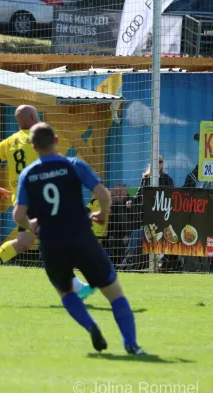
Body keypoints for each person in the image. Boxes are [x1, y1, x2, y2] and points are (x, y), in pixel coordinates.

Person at [13, 123, 144, 354]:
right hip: (82, 237)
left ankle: (91, 325)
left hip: (52, 243)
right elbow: (104, 195)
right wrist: (103, 215)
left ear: (34, 147)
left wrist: (30, 225)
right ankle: (131, 344)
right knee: (114, 293)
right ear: (56, 140)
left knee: (66, 292)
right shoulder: (73, 165)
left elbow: (19, 215)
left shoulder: (28, 174)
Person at [0, 105, 94, 298]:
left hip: (22, 199)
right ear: (32, 117)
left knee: (24, 242)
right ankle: (76, 287)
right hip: (38, 198)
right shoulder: (39, 138)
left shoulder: (10, 141)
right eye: (37, 116)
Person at [123, 155, 174, 268]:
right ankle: (151, 261)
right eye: (156, 162)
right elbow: (139, 194)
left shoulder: (167, 179)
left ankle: (160, 259)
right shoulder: (146, 178)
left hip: (162, 214)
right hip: (148, 213)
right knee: (150, 236)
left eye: (160, 162)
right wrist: (131, 201)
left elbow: (172, 196)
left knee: (161, 236)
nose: (158, 164)